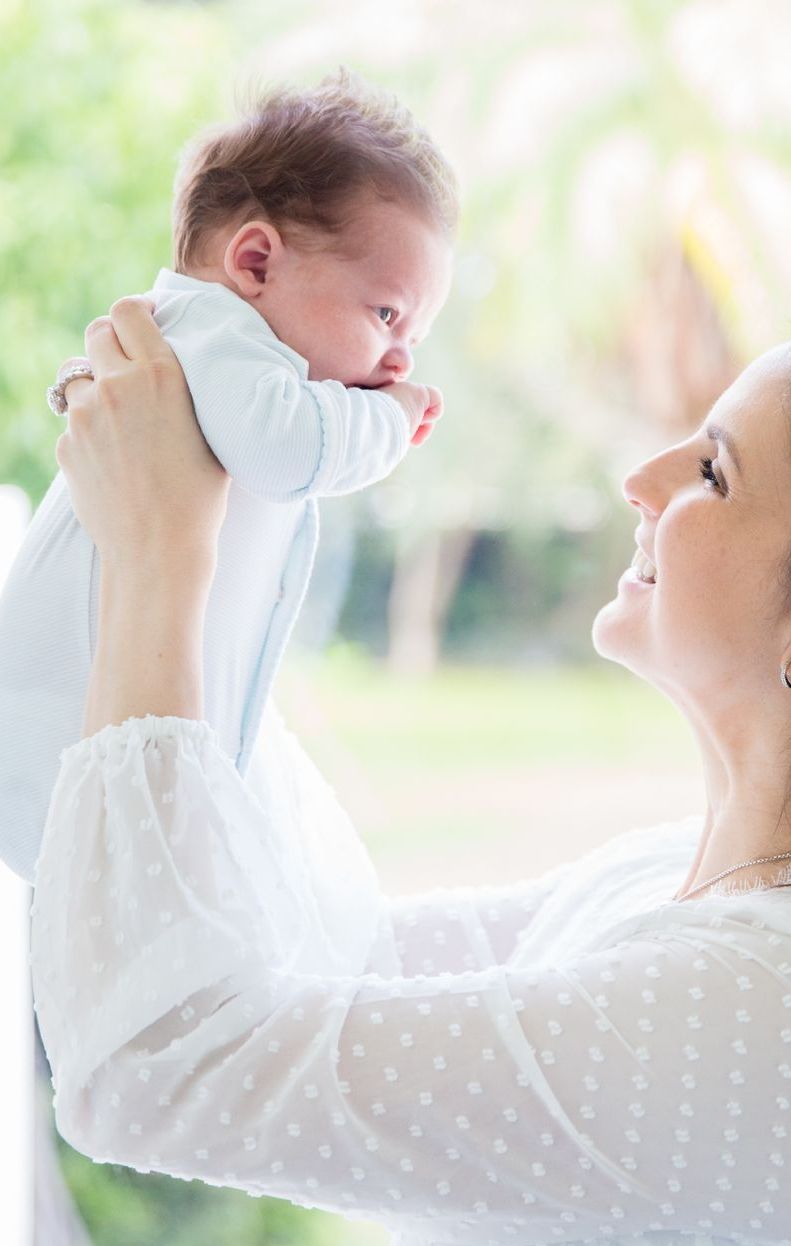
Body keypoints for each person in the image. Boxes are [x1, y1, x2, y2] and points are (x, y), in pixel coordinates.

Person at [28, 293, 791, 1246]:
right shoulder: (692, 888)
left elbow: (159, 1064)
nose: (642, 477)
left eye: (711, 472)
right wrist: (228, 529)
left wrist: (159, 560)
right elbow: (336, 951)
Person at [0, 70, 455, 883]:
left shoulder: (216, 356)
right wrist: (390, 420)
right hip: (57, 745)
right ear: (254, 262)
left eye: (414, 335)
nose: (400, 356)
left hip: (102, 760)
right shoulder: (214, 333)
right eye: (386, 313)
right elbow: (292, 454)